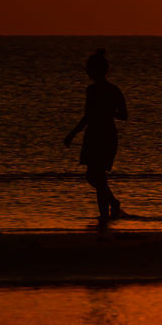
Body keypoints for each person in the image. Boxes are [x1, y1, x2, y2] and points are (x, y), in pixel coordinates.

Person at [64, 48, 128, 223]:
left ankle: (105, 213)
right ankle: (112, 205)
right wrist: (73, 133)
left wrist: (72, 133)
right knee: (94, 176)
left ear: (95, 70)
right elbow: (120, 115)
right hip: (97, 135)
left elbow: (122, 115)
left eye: (88, 68)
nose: (86, 71)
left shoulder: (98, 90)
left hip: (102, 135)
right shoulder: (109, 90)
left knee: (97, 176)